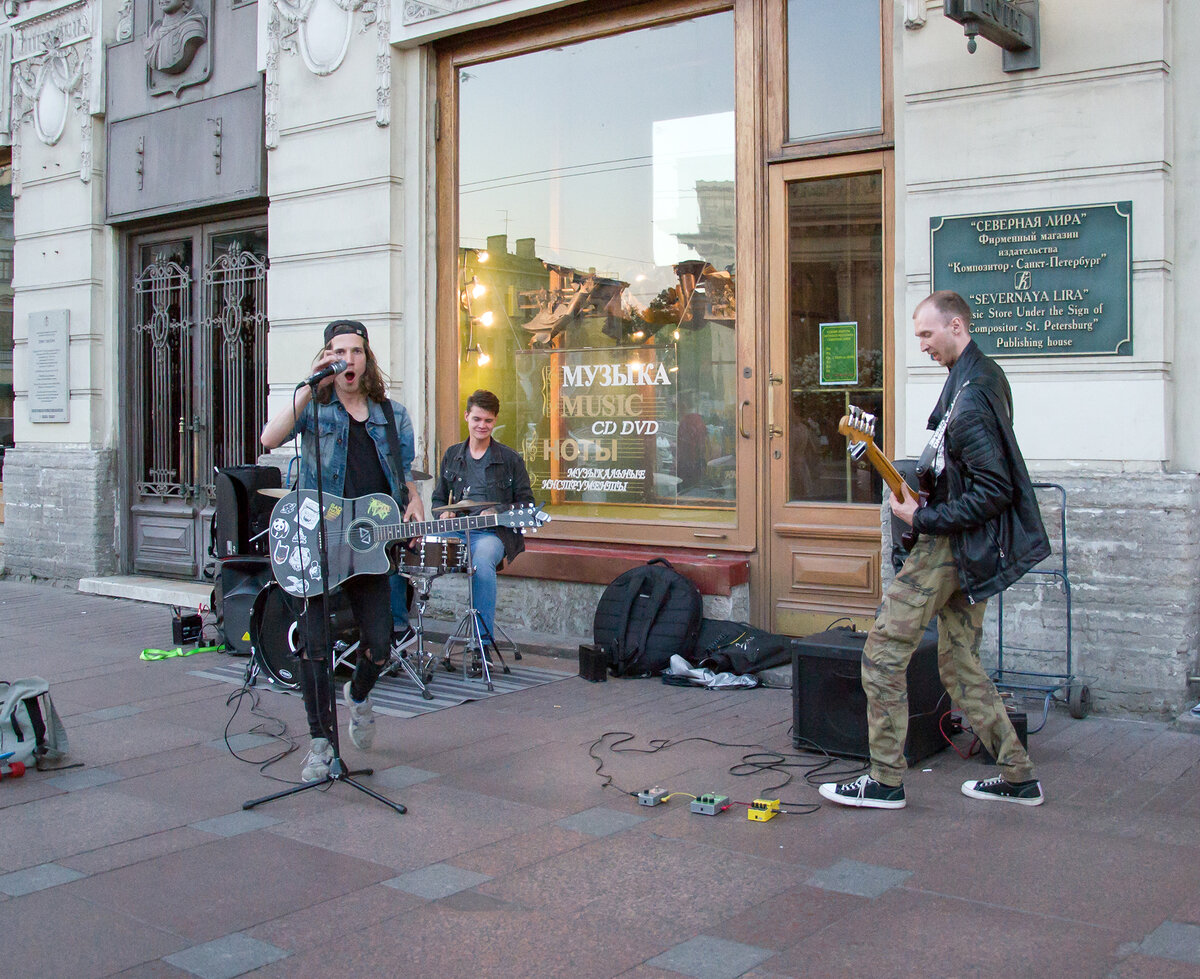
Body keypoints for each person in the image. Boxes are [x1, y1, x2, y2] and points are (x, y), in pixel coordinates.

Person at [820, 291, 1051, 810]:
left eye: (927, 334)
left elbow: (994, 491)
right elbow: (957, 472)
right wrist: (911, 487)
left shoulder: (970, 398)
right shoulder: (976, 377)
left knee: (881, 653)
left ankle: (883, 780)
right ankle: (1017, 775)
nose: (921, 345)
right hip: (967, 549)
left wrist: (922, 517)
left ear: (956, 325)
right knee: (960, 663)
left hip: (947, 547)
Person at [260, 320, 424, 782]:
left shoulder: (393, 415)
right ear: (327, 358)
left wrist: (414, 501)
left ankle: (358, 694)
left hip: (370, 546)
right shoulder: (315, 411)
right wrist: (310, 387)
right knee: (313, 647)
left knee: (379, 643)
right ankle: (319, 745)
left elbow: (405, 475)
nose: (347, 360)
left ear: (367, 358)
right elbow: (269, 440)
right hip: (319, 544)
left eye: (355, 351)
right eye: (338, 351)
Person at [431, 389, 534, 661]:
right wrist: (442, 514)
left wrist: (497, 509)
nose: (482, 426)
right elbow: (438, 499)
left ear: (495, 421)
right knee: (408, 549)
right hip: (455, 532)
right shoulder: (452, 455)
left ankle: (481, 643)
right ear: (466, 416)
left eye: (488, 421)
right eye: (477, 419)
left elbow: (526, 504)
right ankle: (401, 630)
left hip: (492, 534)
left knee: (482, 565)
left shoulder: (509, 459)